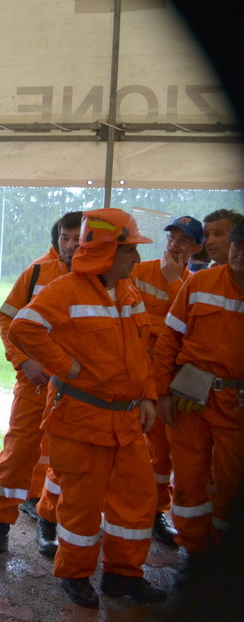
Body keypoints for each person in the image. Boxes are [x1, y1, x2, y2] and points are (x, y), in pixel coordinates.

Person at [9, 208, 165, 609]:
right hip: (80, 419)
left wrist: (148, 395)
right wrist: (66, 366)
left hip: (126, 420)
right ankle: (75, 574)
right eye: (129, 250)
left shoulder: (128, 293)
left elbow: (142, 352)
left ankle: (122, 575)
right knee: (81, 505)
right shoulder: (65, 290)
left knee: (136, 499)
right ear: (107, 252)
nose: (136, 259)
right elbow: (23, 327)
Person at [0, 211, 81, 564]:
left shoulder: (105, 282)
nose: (71, 245)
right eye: (65, 238)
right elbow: (8, 318)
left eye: (78, 239)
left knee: (64, 459)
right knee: (18, 453)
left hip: (79, 390)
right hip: (35, 383)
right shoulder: (36, 273)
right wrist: (24, 361)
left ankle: (48, 522)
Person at [153, 219, 244, 559]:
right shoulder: (201, 282)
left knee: (231, 485)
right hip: (189, 397)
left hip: (235, 403)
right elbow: (169, 340)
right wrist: (163, 393)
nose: (238, 254)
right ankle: (191, 550)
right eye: (237, 246)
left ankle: (224, 557)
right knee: (188, 479)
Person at [129, 215, 204, 547]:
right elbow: (131, 321)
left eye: (183, 240)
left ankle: (156, 512)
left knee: (160, 455)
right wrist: (161, 328)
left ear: (196, 248)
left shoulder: (196, 285)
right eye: (172, 237)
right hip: (131, 375)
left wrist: (174, 283)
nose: (174, 245)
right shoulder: (138, 271)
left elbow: (191, 334)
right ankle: (115, 509)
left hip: (165, 383)